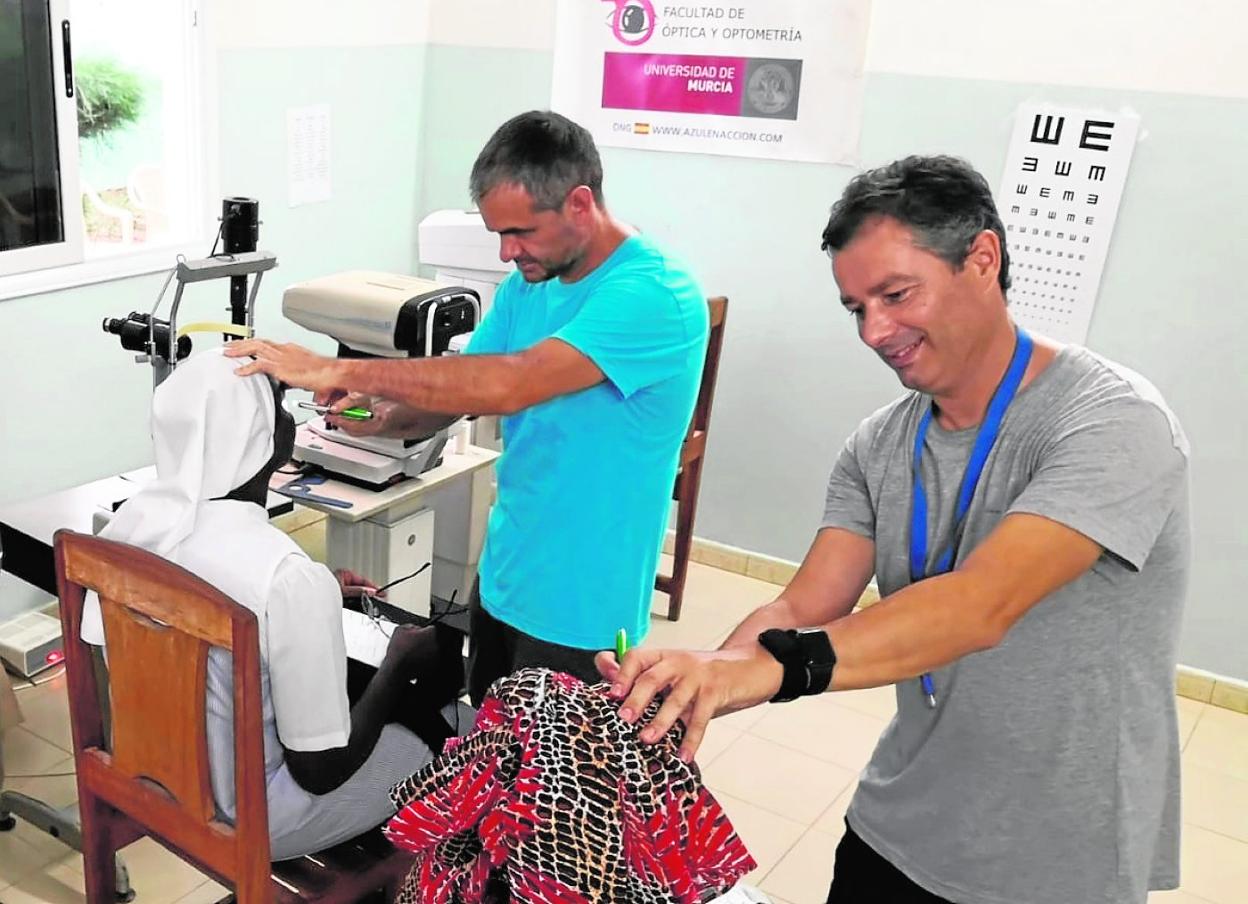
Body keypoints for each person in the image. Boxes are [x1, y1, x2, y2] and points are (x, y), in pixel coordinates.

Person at [598, 156, 1191, 904]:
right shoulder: (880, 444)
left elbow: (979, 606)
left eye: (896, 294)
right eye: (856, 308)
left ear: (982, 259)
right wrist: (699, 678)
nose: (876, 331)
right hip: (901, 821)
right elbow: (802, 606)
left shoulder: (1111, 421)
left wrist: (768, 669)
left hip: (1058, 852)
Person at [226, 110, 709, 704]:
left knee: (546, 763)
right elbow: (464, 392)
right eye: (497, 233)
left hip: (583, 610)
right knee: (485, 741)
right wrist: (383, 414)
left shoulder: (654, 294)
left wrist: (334, 367)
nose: (506, 253)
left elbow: (512, 383)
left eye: (521, 232)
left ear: (580, 203)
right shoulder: (530, 286)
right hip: (505, 578)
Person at [81, 350, 465, 860]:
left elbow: (223, 590)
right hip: (255, 821)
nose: (290, 420)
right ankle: (418, 876)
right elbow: (320, 771)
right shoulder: (282, 578)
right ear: (257, 438)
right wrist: (398, 664)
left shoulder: (131, 534)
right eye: (279, 408)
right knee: (456, 728)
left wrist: (316, 596)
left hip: (152, 780)